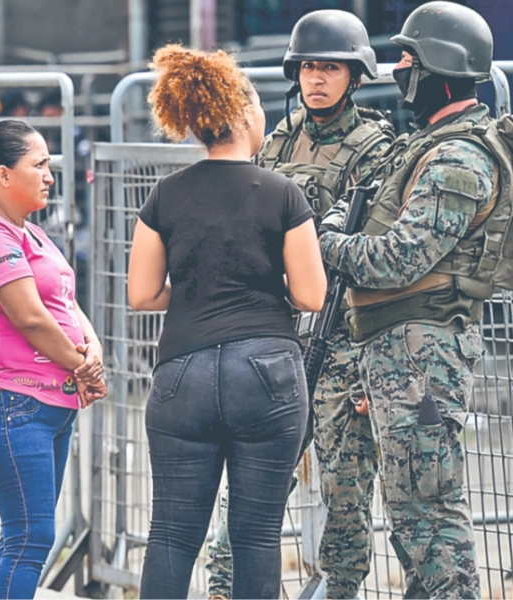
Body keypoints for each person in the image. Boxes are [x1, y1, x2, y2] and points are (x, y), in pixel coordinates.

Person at [205, 10, 394, 600]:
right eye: (309, 67)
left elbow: (371, 252)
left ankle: (340, 590)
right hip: (279, 339)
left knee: (345, 488)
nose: (317, 79)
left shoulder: (377, 148)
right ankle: (222, 587)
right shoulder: (278, 140)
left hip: (343, 343)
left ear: (355, 75)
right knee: (252, 484)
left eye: (330, 68)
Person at [130, 44, 327, 599]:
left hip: (182, 373)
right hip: (265, 371)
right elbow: (311, 295)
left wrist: (197, 292)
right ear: (242, 114)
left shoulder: (165, 194)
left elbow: (142, 294)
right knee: (256, 533)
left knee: (170, 533)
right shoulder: (283, 193)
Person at [318, 2, 498, 597]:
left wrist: (328, 243)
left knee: (428, 508)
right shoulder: (425, 145)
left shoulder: (457, 158)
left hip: (422, 362)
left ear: (439, 67)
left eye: (407, 58)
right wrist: (343, 226)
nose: (398, 69)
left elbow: (397, 258)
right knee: (411, 508)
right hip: (396, 356)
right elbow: (363, 209)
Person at [0, 120, 106, 600]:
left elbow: (65, 301)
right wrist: (82, 365)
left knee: (35, 535)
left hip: (47, 406)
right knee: (29, 536)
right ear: (2, 175)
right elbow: (31, 319)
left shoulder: (28, 232)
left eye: (49, 165)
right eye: (38, 165)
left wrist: (93, 348)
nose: (49, 175)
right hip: (10, 404)